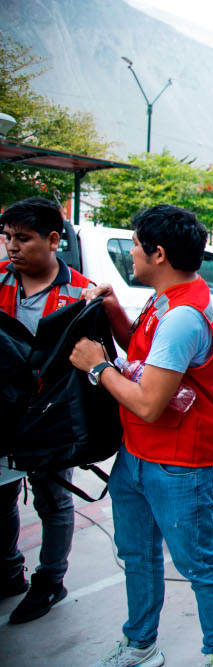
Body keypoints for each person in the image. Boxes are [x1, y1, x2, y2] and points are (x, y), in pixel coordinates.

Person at [69, 204, 213, 667]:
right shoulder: (167, 297)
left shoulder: (183, 315)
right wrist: (114, 312)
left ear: (159, 254)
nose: (132, 256)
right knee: (137, 553)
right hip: (139, 451)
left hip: (179, 462)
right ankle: (141, 643)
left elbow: (147, 400)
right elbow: (144, 353)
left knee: (197, 563)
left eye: (137, 248)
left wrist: (97, 367)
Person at [0, 197, 92, 624]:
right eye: (7, 237)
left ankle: (50, 581)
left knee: (53, 501)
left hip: (51, 417)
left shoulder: (83, 293)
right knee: (1, 496)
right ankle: (9, 571)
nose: (12, 247)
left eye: (23, 238)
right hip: (4, 415)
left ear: (54, 240)